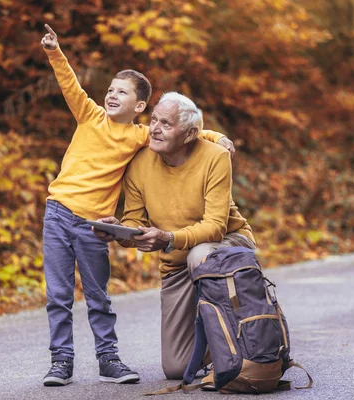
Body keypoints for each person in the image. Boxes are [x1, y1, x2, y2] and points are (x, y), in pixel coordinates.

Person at [39, 25, 234, 386]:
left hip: (96, 224)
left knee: (99, 296)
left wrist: (215, 136)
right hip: (58, 214)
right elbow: (70, 85)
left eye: (122, 92)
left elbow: (183, 129)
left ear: (140, 106)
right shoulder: (89, 116)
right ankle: (61, 361)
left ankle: (108, 359)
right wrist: (55, 51)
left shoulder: (142, 135)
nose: (112, 95)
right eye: (110, 89)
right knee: (59, 295)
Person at [94, 92, 256, 379]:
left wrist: (168, 238)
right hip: (176, 264)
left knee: (200, 254)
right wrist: (119, 232)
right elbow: (136, 222)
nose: (154, 128)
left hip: (228, 247)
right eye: (153, 119)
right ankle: (217, 341)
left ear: (190, 134)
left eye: (166, 124)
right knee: (176, 368)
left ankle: (246, 338)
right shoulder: (139, 163)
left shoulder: (216, 156)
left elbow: (216, 226)